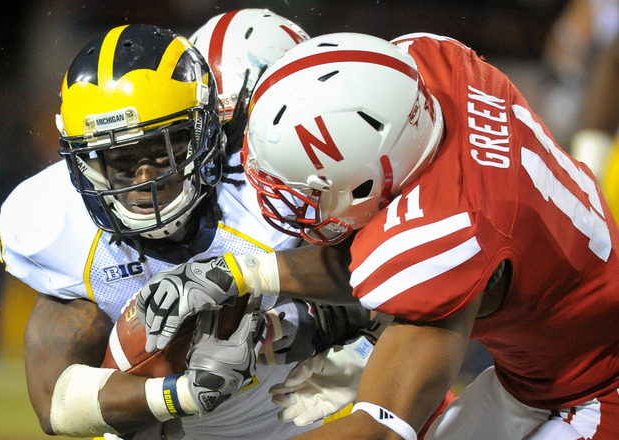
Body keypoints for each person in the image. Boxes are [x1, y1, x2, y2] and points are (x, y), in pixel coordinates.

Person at [136, 31, 619, 439]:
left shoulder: (448, 232)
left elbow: (378, 430)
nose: (283, 199)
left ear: (368, 178)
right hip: (541, 363)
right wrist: (246, 272)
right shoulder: (433, 65)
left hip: (594, 390)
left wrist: (366, 357)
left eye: (299, 187)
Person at [0, 20, 372, 439]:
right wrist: (186, 393)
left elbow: (385, 286)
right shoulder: (56, 225)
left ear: (208, 132)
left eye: (162, 149)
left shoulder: (269, 191)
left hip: (297, 419)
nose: (144, 179)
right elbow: (57, 405)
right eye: (118, 159)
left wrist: (291, 323)